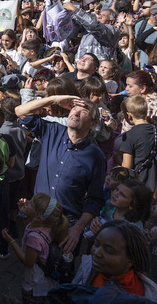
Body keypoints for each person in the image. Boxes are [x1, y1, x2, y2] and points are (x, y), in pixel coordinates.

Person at [15, 95, 106, 255]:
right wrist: (53, 99)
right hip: (38, 216)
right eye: (74, 108)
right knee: (32, 266)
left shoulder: (96, 156)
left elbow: (95, 199)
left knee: (59, 271)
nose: (76, 113)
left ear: (93, 124)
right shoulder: (53, 131)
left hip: (66, 225)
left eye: (84, 111)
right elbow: (20, 112)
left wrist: (78, 229)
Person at [69, 220, 157, 301]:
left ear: (130, 260)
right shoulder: (87, 268)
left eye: (109, 250)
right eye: (96, 244)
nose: (96, 252)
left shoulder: (148, 297)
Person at [1, 193, 70, 304]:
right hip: (44, 282)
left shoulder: (35, 237)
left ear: (39, 217)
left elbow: (28, 261)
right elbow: (29, 226)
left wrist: (11, 241)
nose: (26, 201)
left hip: (34, 284)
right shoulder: (47, 226)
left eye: (31, 204)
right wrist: (23, 211)